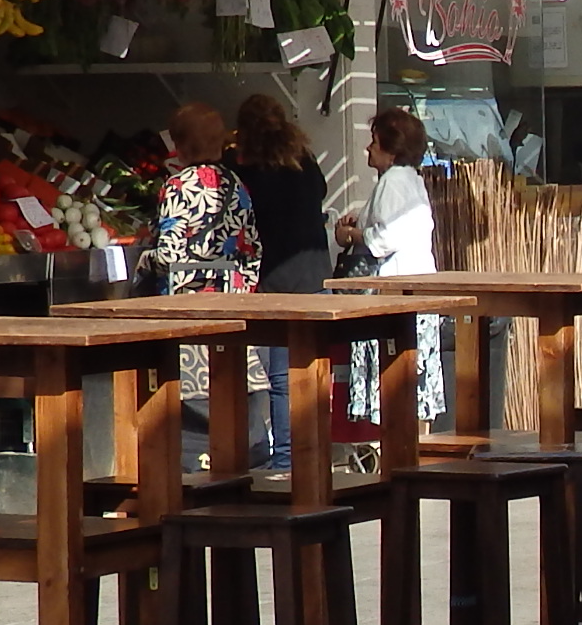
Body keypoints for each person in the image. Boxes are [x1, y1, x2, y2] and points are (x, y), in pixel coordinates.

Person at [230, 91, 334, 471]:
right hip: (315, 273)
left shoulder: (250, 173)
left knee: (279, 376)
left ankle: (287, 460)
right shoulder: (304, 161)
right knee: (310, 371)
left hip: (275, 278)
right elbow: (321, 193)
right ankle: (310, 453)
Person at [154, 102, 261, 465]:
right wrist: (240, 293)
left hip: (185, 314)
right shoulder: (238, 185)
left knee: (184, 411)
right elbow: (252, 248)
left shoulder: (177, 187)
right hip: (229, 309)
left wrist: (145, 263)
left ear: (181, 145)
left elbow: (168, 254)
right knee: (234, 397)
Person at [338, 105, 450, 424]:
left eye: (374, 142)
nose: (368, 148)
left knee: (395, 378)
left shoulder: (393, 181)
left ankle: (395, 446)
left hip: (396, 292)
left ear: (391, 149)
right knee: (414, 380)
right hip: (416, 286)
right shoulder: (410, 180)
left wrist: (352, 234)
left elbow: (385, 238)